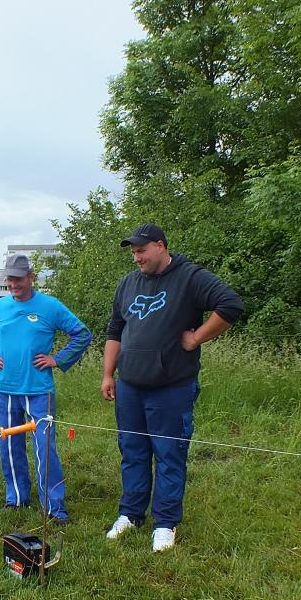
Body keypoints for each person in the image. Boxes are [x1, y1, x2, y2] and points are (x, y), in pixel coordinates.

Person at [102, 224, 243, 553]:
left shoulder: (189, 277)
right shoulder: (128, 283)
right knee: (133, 452)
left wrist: (196, 338)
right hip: (130, 386)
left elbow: (230, 305)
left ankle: (165, 523)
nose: (137, 258)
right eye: (134, 252)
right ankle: (131, 514)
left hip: (171, 386)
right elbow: (115, 329)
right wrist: (108, 373)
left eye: (142, 251)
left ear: (161, 247)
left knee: (169, 455)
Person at [0, 254, 91, 522]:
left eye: (18, 278)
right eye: (9, 279)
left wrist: (57, 359)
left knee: (45, 446)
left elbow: (81, 334)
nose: (13, 284)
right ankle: (16, 497)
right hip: (6, 389)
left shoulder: (50, 307)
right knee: (10, 444)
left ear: (31, 277)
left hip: (39, 391)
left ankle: (54, 506)